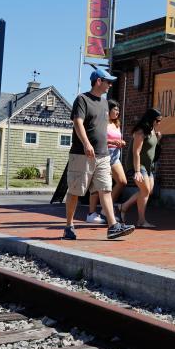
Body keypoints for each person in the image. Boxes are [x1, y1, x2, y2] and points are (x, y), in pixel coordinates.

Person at [63, 68, 134, 240]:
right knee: (75, 191)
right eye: (108, 81)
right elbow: (77, 123)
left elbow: (100, 131)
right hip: (82, 154)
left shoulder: (104, 103)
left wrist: (111, 143)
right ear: (98, 81)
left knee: (106, 189)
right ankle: (69, 226)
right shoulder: (82, 99)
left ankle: (113, 226)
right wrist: (86, 144)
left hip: (103, 155)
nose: (110, 84)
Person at [119, 108, 162, 228]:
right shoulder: (140, 131)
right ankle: (141, 221)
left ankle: (124, 206)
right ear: (151, 119)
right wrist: (137, 171)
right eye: (158, 120)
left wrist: (157, 139)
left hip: (148, 166)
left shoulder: (153, 131)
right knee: (145, 190)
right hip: (138, 164)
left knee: (148, 191)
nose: (159, 123)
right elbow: (136, 152)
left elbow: (152, 149)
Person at [87, 100, 127, 223]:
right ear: (108, 110)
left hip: (115, 157)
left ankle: (106, 209)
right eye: (115, 109)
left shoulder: (117, 124)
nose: (117, 112)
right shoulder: (102, 123)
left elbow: (117, 139)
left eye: (118, 110)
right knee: (98, 186)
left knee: (122, 181)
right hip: (102, 156)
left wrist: (121, 143)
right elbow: (97, 139)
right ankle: (91, 214)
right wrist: (112, 142)